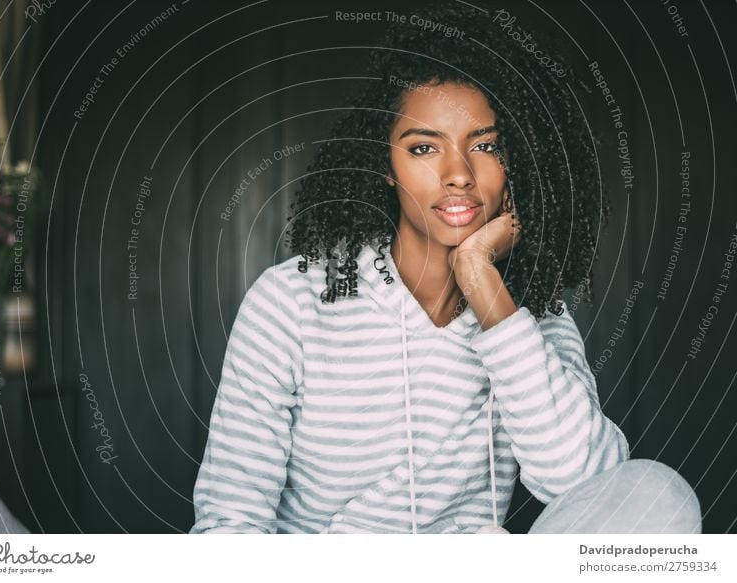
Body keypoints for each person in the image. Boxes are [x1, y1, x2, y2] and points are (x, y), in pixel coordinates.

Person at [191, 2, 701, 534]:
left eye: (485, 146)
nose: (458, 173)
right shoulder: (291, 301)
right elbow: (231, 518)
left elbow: (592, 489)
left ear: (518, 162)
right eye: (423, 148)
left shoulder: (532, 318)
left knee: (655, 494)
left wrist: (483, 284)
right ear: (385, 166)